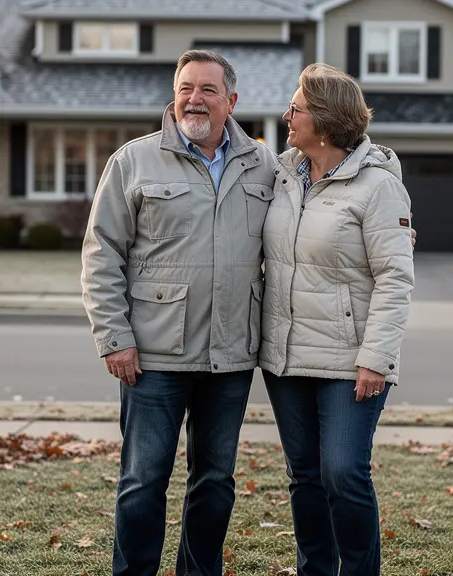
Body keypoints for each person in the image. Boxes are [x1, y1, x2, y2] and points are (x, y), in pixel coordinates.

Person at [80, 50, 278, 576]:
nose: (194, 99)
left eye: (208, 90)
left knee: (215, 482)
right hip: (152, 357)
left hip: (231, 355)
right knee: (143, 481)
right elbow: (102, 254)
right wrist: (113, 337)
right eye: (185, 87)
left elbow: (312, 216)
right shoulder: (133, 161)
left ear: (231, 101)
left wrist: (389, 229)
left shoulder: (264, 165)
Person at [258, 63, 415, 576]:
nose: (287, 116)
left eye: (296, 108)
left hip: (351, 361)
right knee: (304, 476)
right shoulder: (281, 176)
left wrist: (376, 358)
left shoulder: (378, 187)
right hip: (285, 357)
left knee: (343, 472)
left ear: (323, 121)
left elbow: (396, 277)